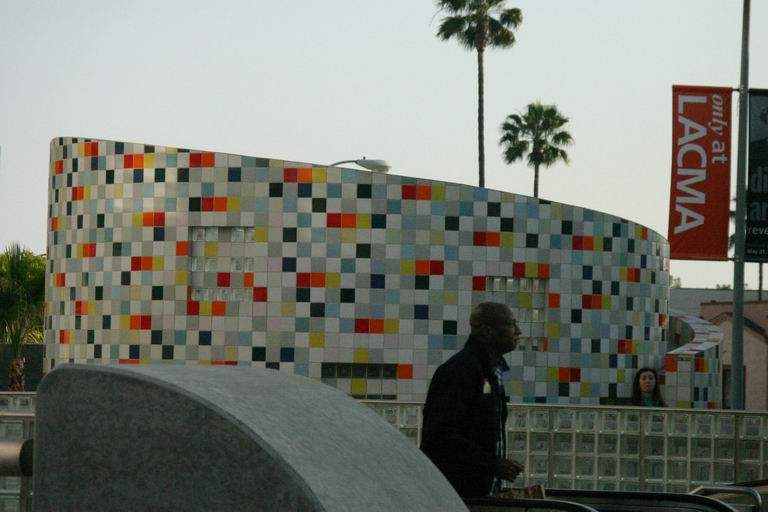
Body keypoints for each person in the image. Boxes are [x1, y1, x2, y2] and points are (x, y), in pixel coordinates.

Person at [420, 302, 524, 498]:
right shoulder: (462, 371)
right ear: (487, 331)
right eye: (511, 324)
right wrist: (493, 464)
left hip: (469, 492)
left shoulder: (488, 370)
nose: (518, 331)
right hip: (457, 495)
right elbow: (441, 437)